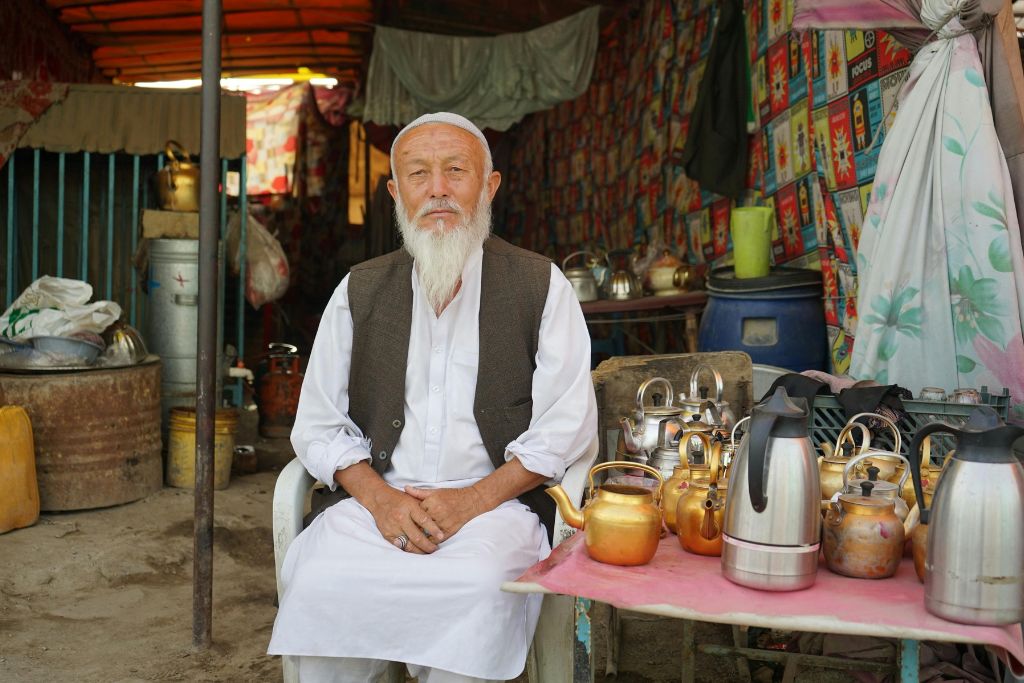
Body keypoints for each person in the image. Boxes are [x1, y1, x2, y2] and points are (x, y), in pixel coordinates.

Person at [268, 112, 599, 683]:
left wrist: (469, 501)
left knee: (475, 587)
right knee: (324, 580)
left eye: (456, 171)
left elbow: (564, 428)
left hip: (495, 512)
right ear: (396, 192)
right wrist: (381, 500)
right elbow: (318, 425)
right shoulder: (359, 290)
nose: (438, 190)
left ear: (489, 186)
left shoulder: (540, 285)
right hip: (376, 511)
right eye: (419, 175)